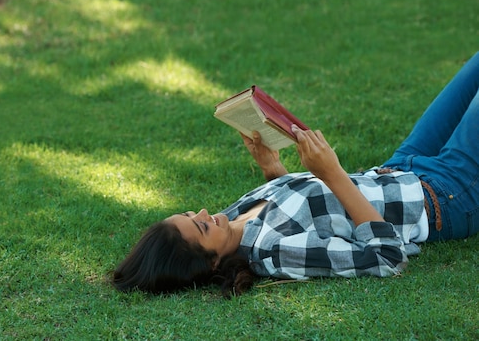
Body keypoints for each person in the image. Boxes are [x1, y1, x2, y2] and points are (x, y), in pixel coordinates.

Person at [112, 52, 479, 298]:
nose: (206, 214)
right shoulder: (275, 253)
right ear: (210, 263)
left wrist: (273, 169)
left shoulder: (234, 221)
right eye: (202, 227)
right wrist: (331, 172)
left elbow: (311, 213)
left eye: (192, 214)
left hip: (403, 167)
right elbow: (384, 257)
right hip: (445, 195)